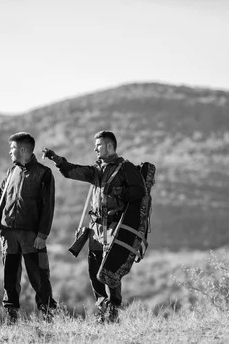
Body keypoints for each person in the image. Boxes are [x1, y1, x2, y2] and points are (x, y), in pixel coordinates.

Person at [42, 130, 145, 323]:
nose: (94, 149)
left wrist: (119, 191)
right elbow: (72, 171)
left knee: (110, 270)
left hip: (115, 227)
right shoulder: (97, 170)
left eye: (97, 145)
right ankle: (103, 308)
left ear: (108, 146)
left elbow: (139, 191)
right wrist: (56, 159)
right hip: (96, 229)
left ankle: (113, 309)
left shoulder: (126, 168)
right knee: (93, 269)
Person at [0, 132, 57, 323]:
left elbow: (48, 207)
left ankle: (47, 316)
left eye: (12, 148)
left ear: (22, 150)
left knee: (39, 276)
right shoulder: (11, 172)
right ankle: (11, 317)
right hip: (8, 235)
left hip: (32, 236)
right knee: (9, 277)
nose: (9, 152)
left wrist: (42, 234)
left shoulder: (44, 173)